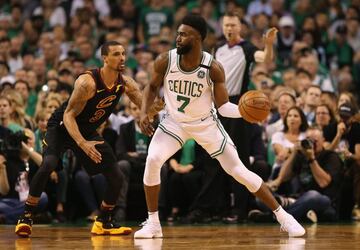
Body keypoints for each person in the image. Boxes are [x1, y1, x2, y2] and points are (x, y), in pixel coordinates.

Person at [135, 14, 305, 238]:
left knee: (239, 171)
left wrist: (243, 112)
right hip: (174, 122)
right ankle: (154, 223)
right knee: (153, 159)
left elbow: (223, 106)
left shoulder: (213, 67)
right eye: (178, 33)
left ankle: (284, 216)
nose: (178, 38)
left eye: (184, 34)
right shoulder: (166, 60)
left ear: (198, 38)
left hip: (206, 124)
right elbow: (151, 86)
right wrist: (144, 111)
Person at [15, 41, 162, 237]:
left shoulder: (125, 83)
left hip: (87, 130)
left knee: (117, 176)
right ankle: (26, 217)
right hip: (61, 127)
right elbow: (68, 116)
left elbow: (147, 109)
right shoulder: (87, 82)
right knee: (48, 163)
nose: (122, 58)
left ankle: (103, 221)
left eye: (124, 53)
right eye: (117, 54)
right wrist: (82, 144)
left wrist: (162, 104)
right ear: (105, 59)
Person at [215, 11, 276, 221]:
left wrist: (268, 45)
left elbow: (264, 58)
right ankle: (218, 207)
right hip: (218, 106)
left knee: (238, 159)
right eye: (226, 25)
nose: (229, 29)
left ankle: (240, 209)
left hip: (239, 106)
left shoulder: (247, 47)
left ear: (240, 27)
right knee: (215, 158)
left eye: (233, 25)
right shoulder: (218, 49)